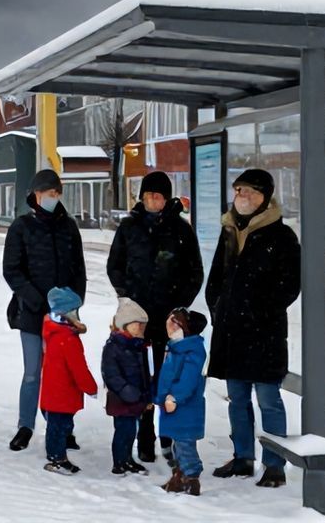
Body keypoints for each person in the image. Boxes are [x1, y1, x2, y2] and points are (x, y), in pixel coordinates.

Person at [206, 169, 300, 488]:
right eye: (238, 190)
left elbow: (290, 285)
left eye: (249, 191)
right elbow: (216, 276)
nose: (242, 197)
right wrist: (217, 306)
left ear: (264, 197)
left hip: (264, 333)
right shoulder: (230, 231)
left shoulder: (281, 236)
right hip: (232, 331)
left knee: (268, 399)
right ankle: (243, 457)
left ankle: (274, 464)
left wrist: (260, 311)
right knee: (237, 399)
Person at [107, 170, 204, 465]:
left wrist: (179, 306)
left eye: (158, 196)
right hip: (137, 318)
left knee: (168, 377)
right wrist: (126, 297)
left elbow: (194, 272)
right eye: (148, 195)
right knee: (139, 378)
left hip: (167, 318)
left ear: (166, 199)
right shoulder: (129, 228)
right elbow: (115, 265)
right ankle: (145, 437)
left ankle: (168, 436)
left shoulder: (181, 230)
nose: (152, 200)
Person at [2, 169, 87, 452]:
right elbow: (12, 270)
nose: (54, 198)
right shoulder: (22, 226)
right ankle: (25, 426)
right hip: (31, 312)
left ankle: (61, 426)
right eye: (50, 193)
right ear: (36, 194)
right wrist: (35, 299)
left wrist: (74, 302)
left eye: (57, 193)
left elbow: (78, 268)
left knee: (62, 373)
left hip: (64, 314)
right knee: (32, 373)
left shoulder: (68, 226)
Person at [39, 286, 98, 474]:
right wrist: (91, 388)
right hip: (63, 393)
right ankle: (57, 459)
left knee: (57, 426)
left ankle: (56, 455)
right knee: (59, 427)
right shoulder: (67, 339)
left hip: (54, 392)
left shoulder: (53, 332)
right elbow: (78, 369)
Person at [156, 307, 209, 496]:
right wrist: (160, 396)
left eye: (174, 323)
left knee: (185, 443)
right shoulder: (175, 347)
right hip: (173, 406)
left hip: (185, 407)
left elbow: (188, 379)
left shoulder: (192, 350)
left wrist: (175, 397)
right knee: (178, 442)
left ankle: (191, 477)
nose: (169, 327)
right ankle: (180, 474)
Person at [102, 298, 152, 475]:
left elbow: (144, 372)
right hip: (121, 399)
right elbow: (111, 374)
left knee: (131, 431)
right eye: (137, 324)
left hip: (136, 398)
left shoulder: (139, 347)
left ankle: (128, 458)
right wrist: (126, 391)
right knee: (122, 431)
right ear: (126, 324)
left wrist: (146, 394)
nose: (141, 328)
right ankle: (119, 461)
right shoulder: (113, 347)